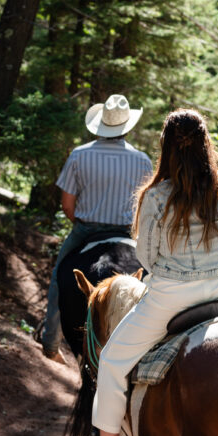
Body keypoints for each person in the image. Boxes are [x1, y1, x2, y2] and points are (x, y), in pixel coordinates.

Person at [62, 107, 218, 436]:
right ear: (205, 144)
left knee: (114, 361)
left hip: (172, 297)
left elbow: (145, 255)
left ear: (165, 148)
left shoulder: (156, 196)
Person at [39, 94, 152, 362]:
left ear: (101, 123)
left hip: (86, 230)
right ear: (127, 125)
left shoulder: (80, 155)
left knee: (59, 276)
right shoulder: (142, 160)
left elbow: (67, 205)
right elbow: (147, 207)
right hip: (127, 232)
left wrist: (80, 222)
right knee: (155, 279)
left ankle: (50, 342)